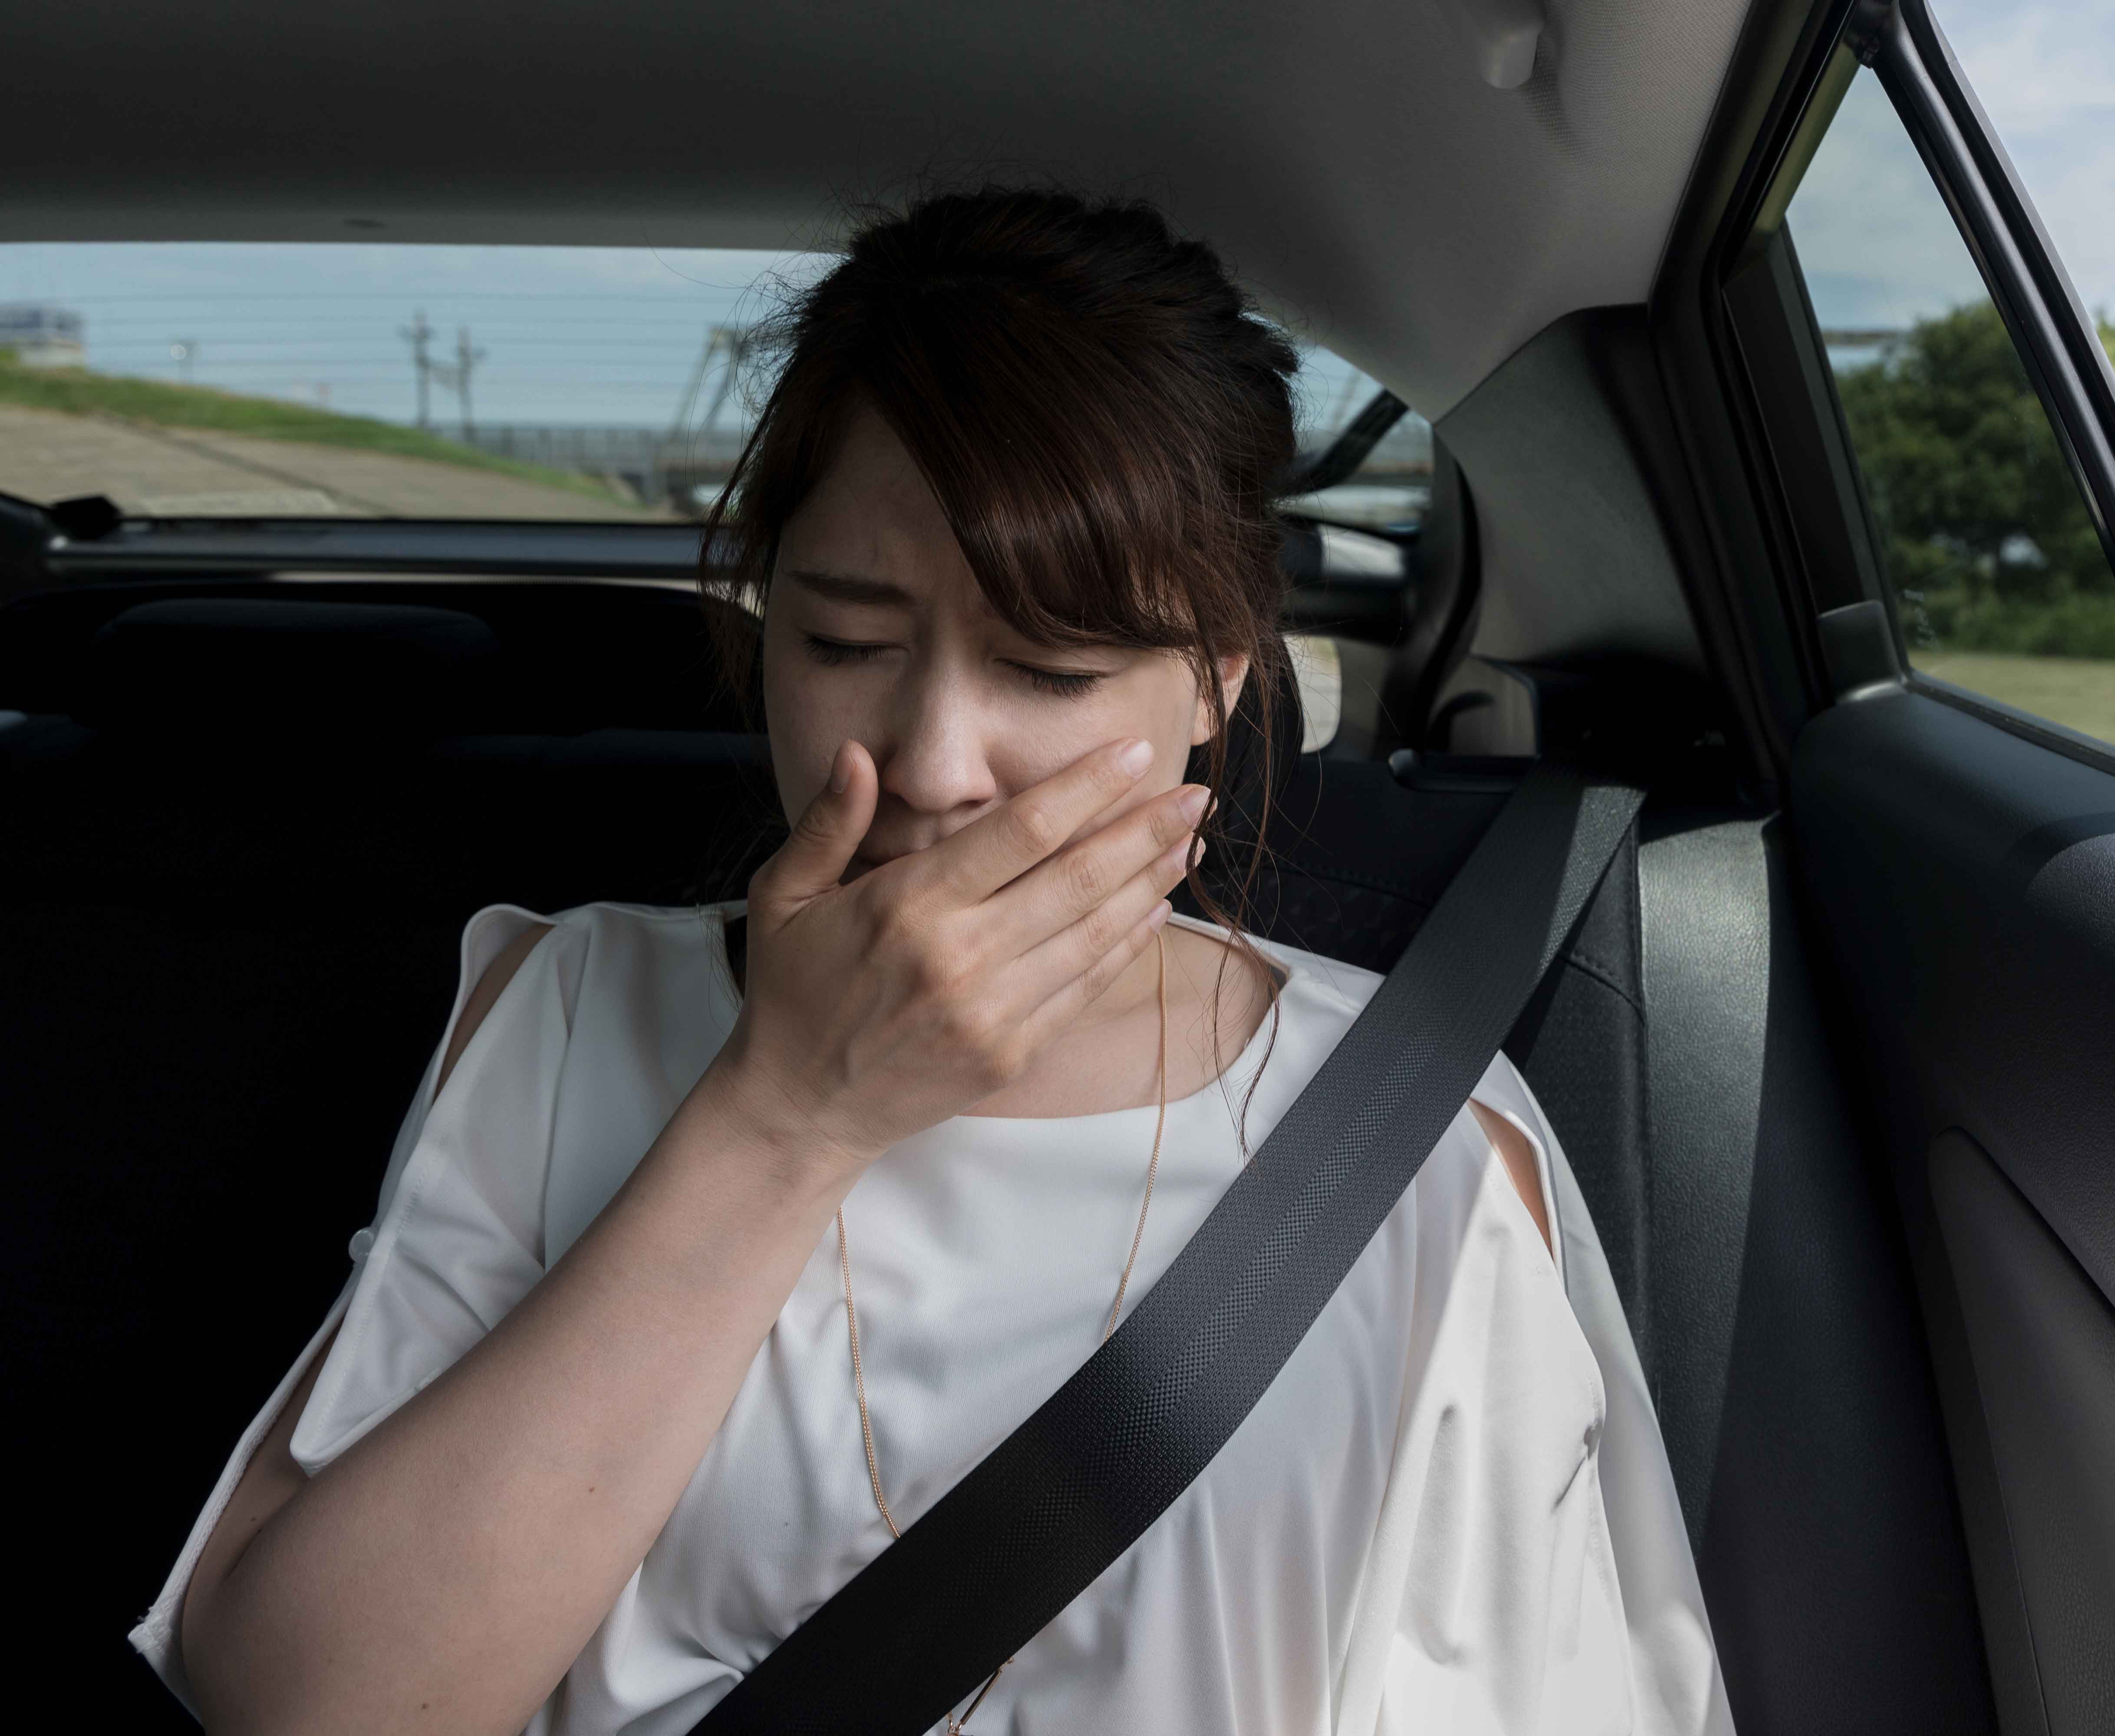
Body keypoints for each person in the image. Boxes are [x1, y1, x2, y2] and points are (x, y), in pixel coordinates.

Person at [134, 188, 1735, 1736]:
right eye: (844, 645)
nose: (934, 760)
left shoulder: (1428, 1156)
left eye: (1050, 666)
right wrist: (785, 1115)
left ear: (1219, 681)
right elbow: (304, 1707)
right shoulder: (563, 1011)